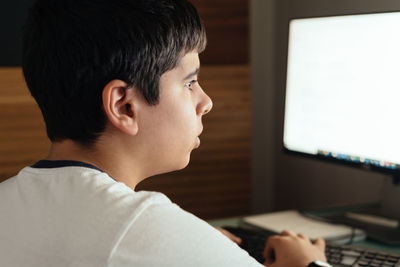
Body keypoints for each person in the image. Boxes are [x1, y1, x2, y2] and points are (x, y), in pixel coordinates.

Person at [0, 0, 328, 266]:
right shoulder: (147, 229)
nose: (206, 102)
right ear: (124, 106)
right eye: (189, 82)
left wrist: (196, 244)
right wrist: (309, 265)